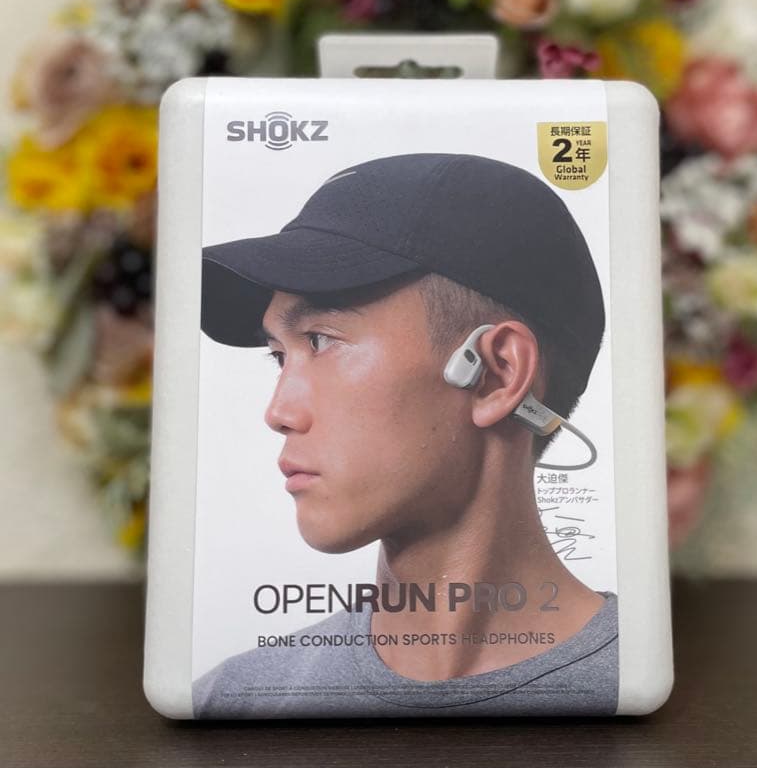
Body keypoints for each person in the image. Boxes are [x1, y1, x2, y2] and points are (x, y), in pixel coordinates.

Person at [194, 152, 617, 717]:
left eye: (320, 340)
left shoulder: (644, 691)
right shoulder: (231, 701)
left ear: (497, 374)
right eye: (279, 356)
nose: (278, 412)